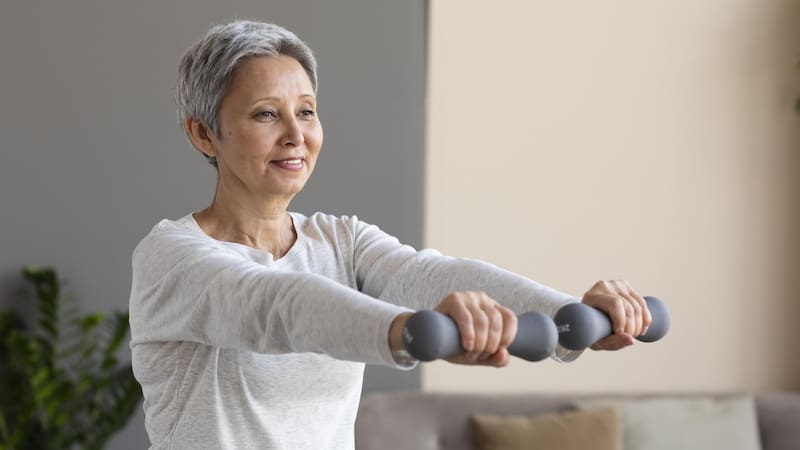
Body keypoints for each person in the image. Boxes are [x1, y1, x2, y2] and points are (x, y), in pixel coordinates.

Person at [129, 20, 652, 450]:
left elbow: (434, 274)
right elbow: (275, 306)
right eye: (266, 114)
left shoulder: (341, 241)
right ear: (203, 133)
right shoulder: (172, 258)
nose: (296, 135)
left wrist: (567, 315)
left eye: (306, 111)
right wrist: (414, 332)